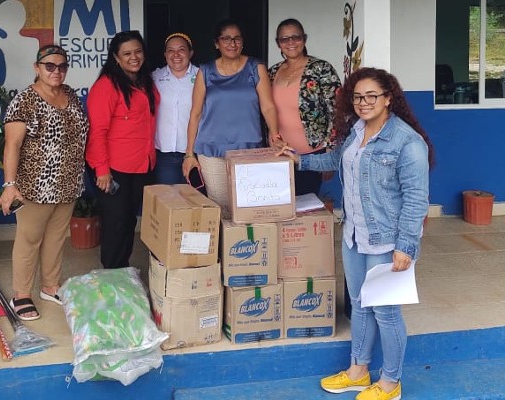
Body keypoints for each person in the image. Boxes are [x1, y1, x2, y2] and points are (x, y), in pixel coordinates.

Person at [278, 67, 434, 400]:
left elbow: (417, 198)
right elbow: (336, 159)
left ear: (389, 98)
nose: (363, 102)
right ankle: (358, 372)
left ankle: (391, 383)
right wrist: (299, 162)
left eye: (372, 96)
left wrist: (406, 247)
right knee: (361, 306)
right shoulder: (356, 130)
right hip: (354, 234)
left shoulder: (407, 142)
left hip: (388, 239)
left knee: (386, 311)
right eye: (358, 96)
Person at [0, 44, 88, 321]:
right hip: (35, 186)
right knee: (29, 240)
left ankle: (50, 286)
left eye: (62, 66)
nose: (56, 71)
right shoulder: (25, 100)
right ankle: (21, 295)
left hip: (68, 182)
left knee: (57, 238)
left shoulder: (69, 94)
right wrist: (10, 184)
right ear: (37, 68)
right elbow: (12, 145)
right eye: (50, 66)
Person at [182, 18, 280, 217]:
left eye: (236, 39)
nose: (232, 43)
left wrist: (275, 136)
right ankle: (225, 247)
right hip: (212, 150)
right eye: (226, 39)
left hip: (248, 147)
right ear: (216, 43)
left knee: (247, 205)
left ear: (242, 42)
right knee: (221, 207)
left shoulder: (255, 67)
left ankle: (246, 246)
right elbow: (195, 113)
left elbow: (268, 106)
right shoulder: (206, 71)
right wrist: (189, 154)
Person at [85, 30, 159, 269]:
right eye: (127, 53)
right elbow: (97, 131)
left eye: (138, 51)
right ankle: (112, 276)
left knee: (128, 222)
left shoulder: (145, 81)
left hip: (142, 164)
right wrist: (102, 170)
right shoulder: (106, 86)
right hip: (114, 169)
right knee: (115, 224)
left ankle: (122, 270)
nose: (134, 57)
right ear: (116, 58)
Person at [268, 18, 341, 198]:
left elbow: (337, 110)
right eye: (285, 39)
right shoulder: (272, 72)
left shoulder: (321, 69)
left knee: (305, 209)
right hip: (278, 152)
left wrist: (330, 152)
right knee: (280, 205)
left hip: (312, 155)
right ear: (278, 44)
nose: (291, 42)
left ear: (304, 39)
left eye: (296, 37)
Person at [152, 32, 198, 185]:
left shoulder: (202, 76)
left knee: (194, 200)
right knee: (169, 200)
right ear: (165, 54)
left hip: (195, 152)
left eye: (181, 50)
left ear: (190, 53)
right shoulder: (154, 77)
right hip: (165, 154)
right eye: (171, 50)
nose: (176, 55)